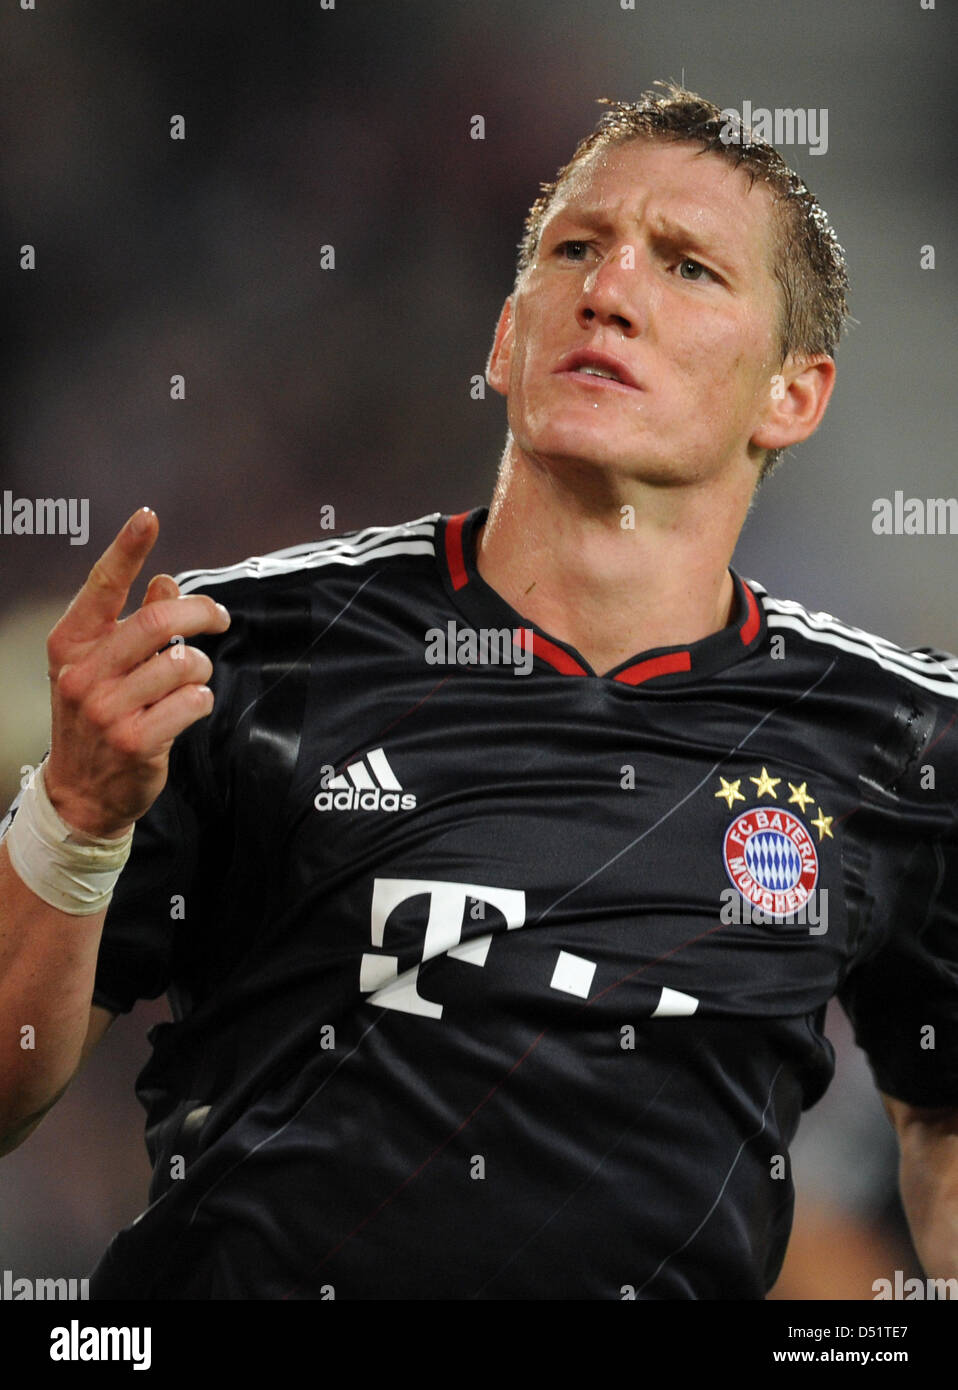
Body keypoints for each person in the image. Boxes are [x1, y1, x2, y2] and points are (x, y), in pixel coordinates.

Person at [1, 83, 956, 1300]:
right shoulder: (242, 656)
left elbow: (942, 1115)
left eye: (688, 268)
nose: (609, 291)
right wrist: (73, 816)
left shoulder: (897, 741)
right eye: (575, 248)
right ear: (507, 337)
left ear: (793, 393)